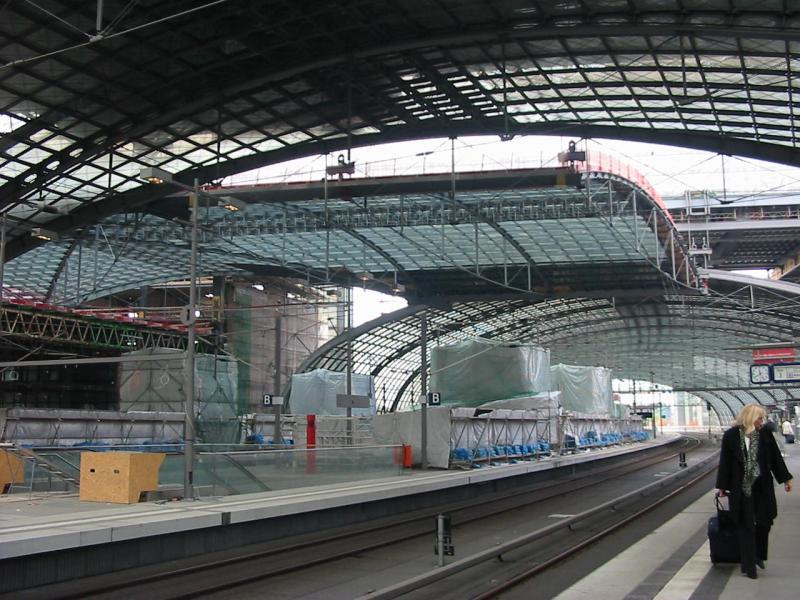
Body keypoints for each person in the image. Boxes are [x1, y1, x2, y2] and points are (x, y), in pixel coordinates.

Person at [716, 404, 793, 579]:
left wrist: (786, 479)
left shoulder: (764, 434)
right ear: (749, 418)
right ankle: (749, 565)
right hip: (741, 487)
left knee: (765, 522)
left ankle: (759, 554)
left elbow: (775, 457)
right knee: (746, 525)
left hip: (762, 485)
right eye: (759, 418)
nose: (761, 422)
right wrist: (722, 487)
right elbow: (725, 462)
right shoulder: (731, 436)